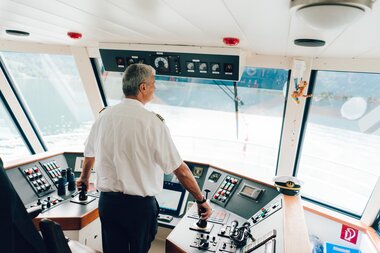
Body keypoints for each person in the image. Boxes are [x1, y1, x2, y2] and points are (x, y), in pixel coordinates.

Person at [76, 63, 212, 253]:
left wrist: (84, 178)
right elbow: (179, 169)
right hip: (138, 208)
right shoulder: (152, 123)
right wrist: (200, 199)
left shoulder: (103, 117)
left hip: (108, 204)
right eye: (153, 83)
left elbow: (89, 153)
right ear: (143, 87)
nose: (155, 88)